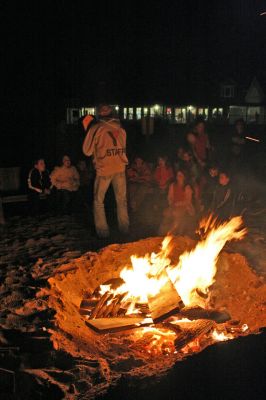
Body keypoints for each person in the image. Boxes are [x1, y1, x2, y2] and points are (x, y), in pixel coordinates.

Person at [82, 104, 129, 238]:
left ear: (99, 114)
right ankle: (124, 229)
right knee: (121, 200)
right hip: (120, 167)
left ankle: (103, 233)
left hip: (104, 169)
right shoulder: (121, 128)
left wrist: (87, 130)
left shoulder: (96, 128)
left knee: (98, 201)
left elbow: (87, 151)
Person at [158, 170, 195, 235]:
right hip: (174, 205)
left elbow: (188, 201)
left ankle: (176, 233)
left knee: (177, 215)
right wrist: (171, 203)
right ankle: (162, 233)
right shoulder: (172, 185)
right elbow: (170, 196)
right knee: (166, 214)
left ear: (184, 177)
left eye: (180, 175)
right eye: (177, 175)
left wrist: (178, 204)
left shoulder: (187, 187)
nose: (178, 177)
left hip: (185, 207)